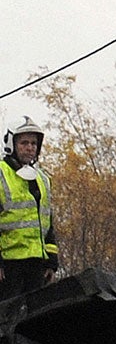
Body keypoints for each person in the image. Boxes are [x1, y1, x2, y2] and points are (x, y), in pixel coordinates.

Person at [0, 117, 58, 296]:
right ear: (12, 143)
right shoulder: (1, 174)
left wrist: (51, 262)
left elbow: (47, 224)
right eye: (24, 142)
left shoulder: (42, 179)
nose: (30, 147)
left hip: (36, 265)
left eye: (34, 143)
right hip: (8, 266)